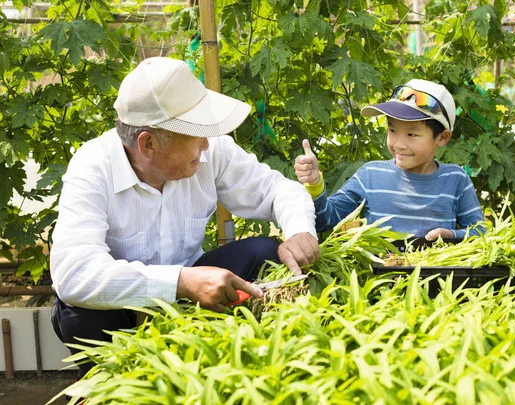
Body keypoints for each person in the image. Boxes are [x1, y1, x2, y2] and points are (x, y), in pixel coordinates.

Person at [50, 57, 320, 377]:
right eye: (195, 134)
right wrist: (181, 282)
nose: (207, 144)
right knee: (83, 314)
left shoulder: (210, 151)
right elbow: (75, 274)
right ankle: (104, 387)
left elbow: (278, 190)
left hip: (191, 295)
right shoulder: (93, 167)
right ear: (148, 143)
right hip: (121, 309)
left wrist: (300, 230)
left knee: (266, 253)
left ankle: (227, 368)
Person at [294, 79, 484, 240]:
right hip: (380, 279)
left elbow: (480, 232)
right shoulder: (370, 176)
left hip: (435, 279)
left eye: (411, 134)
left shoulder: (455, 179)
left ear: (442, 138)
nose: (399, 144)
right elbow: (325, 220)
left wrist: (452, 235)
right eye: (392, 130)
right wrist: (314, 184)